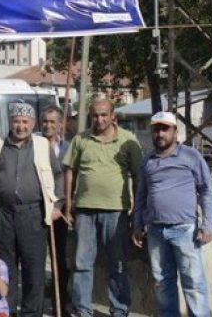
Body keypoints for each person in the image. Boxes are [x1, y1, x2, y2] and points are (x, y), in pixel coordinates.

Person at [63, 97, 142, 317]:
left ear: (113, 116)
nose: (99, 119)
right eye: (95, 115)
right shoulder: (81, 139)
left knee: (117, 264)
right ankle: (82, 310)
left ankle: (119, 310)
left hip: (116, 212)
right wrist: (69, 203)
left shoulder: (128, 140)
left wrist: (137, 210)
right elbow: (70, 170)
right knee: (82, 264)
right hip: (85, 211)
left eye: (104, 115)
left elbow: (138, 176)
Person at [132, 112, 212, 317]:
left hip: (184, 230)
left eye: (165, 129)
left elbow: (206, 190)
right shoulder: (147, 162)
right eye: (156, 129)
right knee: (162, 283)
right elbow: (141, 195)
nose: (160, 133)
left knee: (193, 283)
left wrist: (208, 224)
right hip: (155, 231)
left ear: (175, 132)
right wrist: (137, 224)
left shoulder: (190, 156)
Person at [0, 102, 59, 316]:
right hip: (3, 214)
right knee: (5, 268)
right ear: (10, 122)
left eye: (25, 122)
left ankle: (31, 313)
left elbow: (58, 175)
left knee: (33, 270)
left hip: (33, 214)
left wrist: (58, 205)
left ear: (33, 123)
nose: (20, 126)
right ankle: (5, 312)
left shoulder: (43, 145)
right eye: (16, 121)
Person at [41, 105, 72, 310]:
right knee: (35, 258)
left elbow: (72, 178)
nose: (48, 126)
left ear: (60, 124)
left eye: (53, 122)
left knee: (60, 258)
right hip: (38, 209)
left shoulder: (69, 148)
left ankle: (60, 302)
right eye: (45, 121)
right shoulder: (34, 145)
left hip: (60, 211)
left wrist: (65, 207)